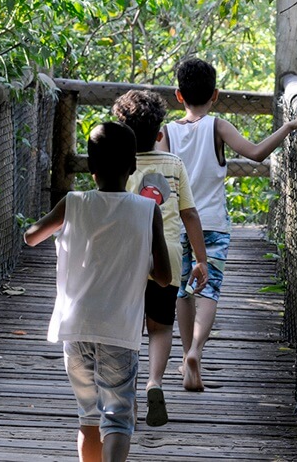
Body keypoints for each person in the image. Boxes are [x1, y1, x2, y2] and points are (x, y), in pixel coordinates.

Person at [159, 57, 297, 392]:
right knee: (210, 288)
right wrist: (289, 127)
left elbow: (158, 178)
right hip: (214, 224)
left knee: (183, 290)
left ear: (178, 95)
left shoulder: (167, 134)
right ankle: (195, 352)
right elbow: (257, 153)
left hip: (177, 224)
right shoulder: (218, 126)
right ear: (215, 94)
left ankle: (188, 354)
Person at [24, 121, 172, 462]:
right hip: (120, 332)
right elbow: (164, 277)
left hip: (76, 328)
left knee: (89, 418)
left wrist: (50, 224)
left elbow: (32, 236)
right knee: (118, 418)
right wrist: (141, 259)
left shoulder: (73, 203)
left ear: (90, 167)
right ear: (133, 166)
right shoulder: (147, 211)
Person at [112, 89, 209, 427]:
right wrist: (202, 260)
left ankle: (128, 396)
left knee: (127, 329)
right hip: (165, 257)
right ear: (159, 134)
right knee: (160, 327)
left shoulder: (118, 166)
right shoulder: (174, 164)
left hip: (125, 257)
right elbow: (191, 216)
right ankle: (155, 381)